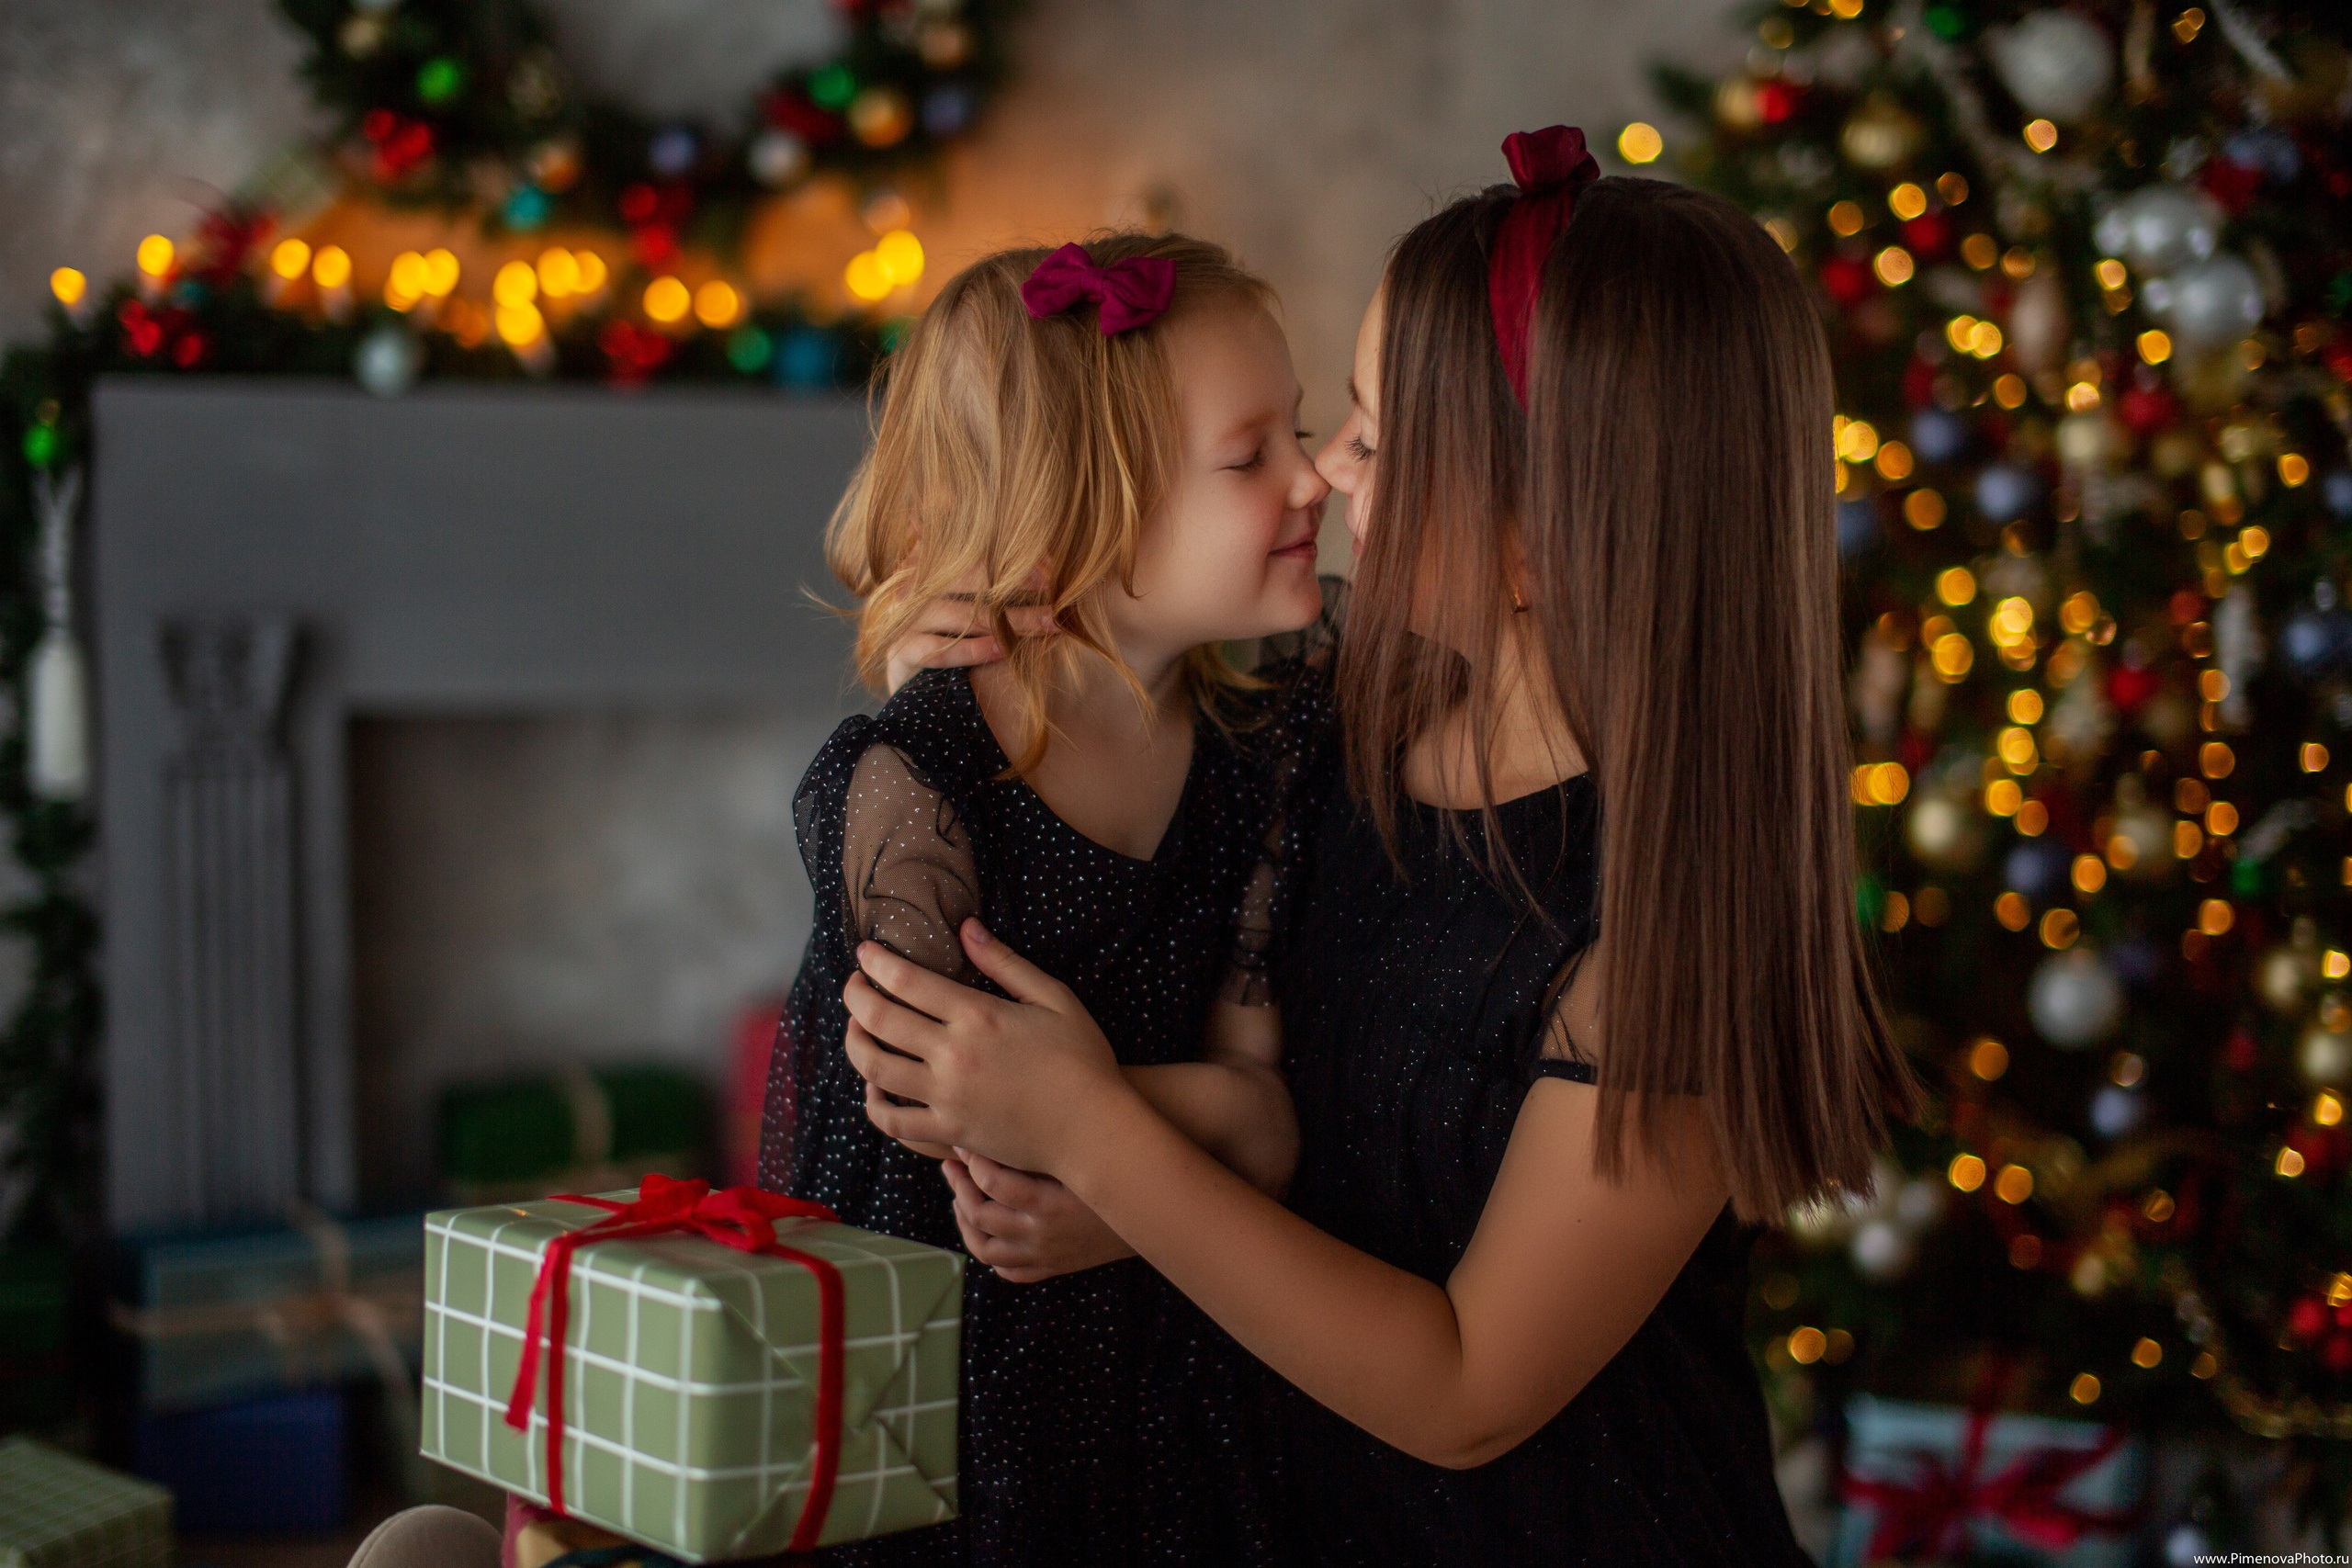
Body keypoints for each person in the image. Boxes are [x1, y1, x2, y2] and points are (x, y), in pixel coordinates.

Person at [841, 130, 1921, 1565]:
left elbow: (1466, 1389)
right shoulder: (1328, 713)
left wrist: (1093, 1137)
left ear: (1549, 534)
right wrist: (978, 684)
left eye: (1374, 433)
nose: (1328, 474)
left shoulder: (1671, 939)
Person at [764, 232, 1330, 1566]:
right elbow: (944, 1128)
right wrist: (1205, 1122)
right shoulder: (918, 780)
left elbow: (1271, 1107)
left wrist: (1150, 1127)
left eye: (1295, 433)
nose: (1316, 478)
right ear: (1081, 512)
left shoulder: (1268, 744)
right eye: (1252, 456)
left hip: (1172, 1358)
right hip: (942, 1394)